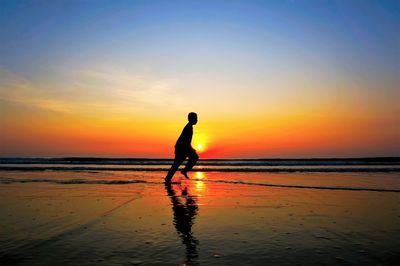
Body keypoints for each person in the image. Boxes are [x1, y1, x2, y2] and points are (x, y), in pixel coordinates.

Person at [165, 112, 199, 183]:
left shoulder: (189, 127)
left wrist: (191, 148)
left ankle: (169, 177)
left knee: (177, 163)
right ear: (191, 119)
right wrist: (190, 149)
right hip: (182, 148)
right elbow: (185, 140)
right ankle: (170, 177)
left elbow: (187, 141)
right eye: (196, 118)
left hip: (183, 147)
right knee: (178, 163)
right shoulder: (188, 127)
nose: (197, 120)